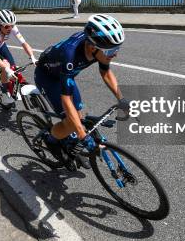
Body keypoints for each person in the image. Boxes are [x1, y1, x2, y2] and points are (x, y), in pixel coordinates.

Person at [34, 14, 128, 164]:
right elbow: (65, 99)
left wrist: (122, 99)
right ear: (92, 47)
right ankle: (50, 139)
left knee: (80, 115)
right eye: (111, 51)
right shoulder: (69, 54)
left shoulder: (98, 47)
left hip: (65, 75)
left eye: (117, 48)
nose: (115, 54)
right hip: (47, 77)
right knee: (72, 123)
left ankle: (69, 138)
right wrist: (82, 135)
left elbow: (105, 72)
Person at [0, 10, 37, 105]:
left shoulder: (12, 28)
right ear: (0, 25)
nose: (10, 28)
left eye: (12, 25)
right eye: (7, 26)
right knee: (5, 67)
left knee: (13, 67)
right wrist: (6, 69)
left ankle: (12, 87)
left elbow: (24, 43)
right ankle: (4, 90)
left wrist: (32, 57)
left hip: (0, 45)